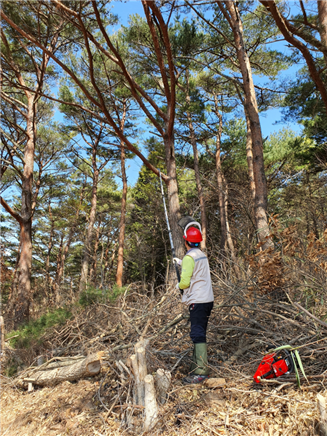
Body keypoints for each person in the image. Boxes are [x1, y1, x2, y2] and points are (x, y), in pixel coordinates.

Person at [174, 225, 214, 384]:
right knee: (200, 332)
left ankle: (201, 372)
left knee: (197, 334)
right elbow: (195, 270)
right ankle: (195, 366)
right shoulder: (201, 255)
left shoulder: (190, 258)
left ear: (186, 242)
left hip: (197, 300)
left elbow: (184, 282)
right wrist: (181, 263)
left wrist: (178, 286)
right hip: (207, 299)